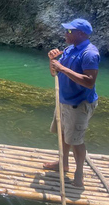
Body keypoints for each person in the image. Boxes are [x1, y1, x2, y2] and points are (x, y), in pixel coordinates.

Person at [43, 18, 99, 187]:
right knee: (63, 134)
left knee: (76, 140)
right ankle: (63, 163)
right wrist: (52, 61)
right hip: (64, 101)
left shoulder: (89, 53)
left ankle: (79, 172)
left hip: (79, 104)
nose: (65, 33)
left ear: (81, 34)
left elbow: (89, 81)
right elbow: (55, 74)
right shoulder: (69, 49)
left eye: (69, 31)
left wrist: (62, 68)